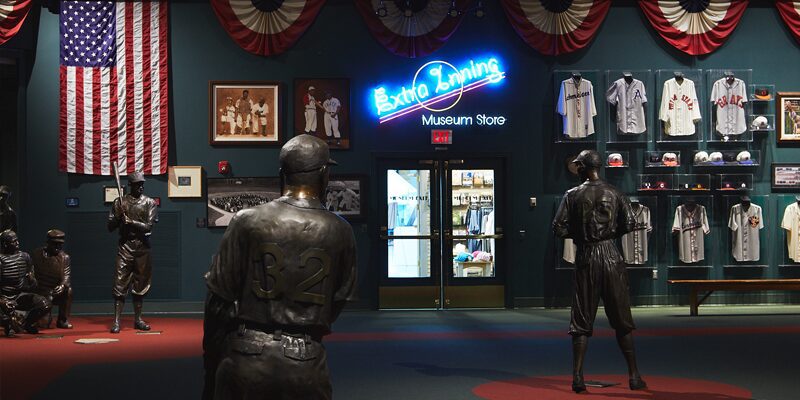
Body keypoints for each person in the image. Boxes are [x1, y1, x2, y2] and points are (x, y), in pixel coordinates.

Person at [203, 134, 357, 400]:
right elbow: (339, 301)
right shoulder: (341, 230)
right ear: (323, 174)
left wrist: (212, 363)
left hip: (245, 355)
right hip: (305, 360)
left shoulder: (245, 220)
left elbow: (218, 302)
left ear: (282, 174)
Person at [552, 150, 646, 393]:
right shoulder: (615, 192)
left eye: (578, 166)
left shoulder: (572, 194)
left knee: (581, 320)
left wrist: (583, 234)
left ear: (583, 167)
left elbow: (558, 228)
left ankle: (578, 378)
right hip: (611, 255)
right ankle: (634, 376)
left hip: (586, 256)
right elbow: (630, 224)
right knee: (622, 319)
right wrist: (607, 234)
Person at [108, 172, 158, 334]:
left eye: (142, 184)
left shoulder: (149, 202)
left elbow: (149, 226)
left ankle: (138, 319)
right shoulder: (119, 202)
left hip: (143, 246)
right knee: (120, 283)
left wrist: (131, 222)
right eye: (137, 184)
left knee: (140, 284)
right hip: (125, 246)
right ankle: (116, 321)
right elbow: (110, 227)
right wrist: (118, 217)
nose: (141, 186)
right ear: (131, 185)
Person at [0, 230, 51, 337]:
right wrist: (2, 301)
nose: (17, 243)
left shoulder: (25, 257)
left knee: (44, 304)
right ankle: (9, 323)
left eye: (17, 240)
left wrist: (32, 279)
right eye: (14, 241)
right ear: (5, 244)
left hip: (19, 296)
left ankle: (26, 323)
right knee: (6, 317)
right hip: (3, 297)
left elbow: (32, 282)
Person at [31, 229, 74, 329]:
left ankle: (63, 320)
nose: (58, 247)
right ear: (48, 243)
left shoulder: (65, 258)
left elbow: (66, 276)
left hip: (55, 291)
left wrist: (62, 285)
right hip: (41, 291)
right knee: (43, 324)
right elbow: (31, 271)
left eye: (60, 245)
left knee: (68, 291)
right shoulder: (37, 254)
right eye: (55, 244)